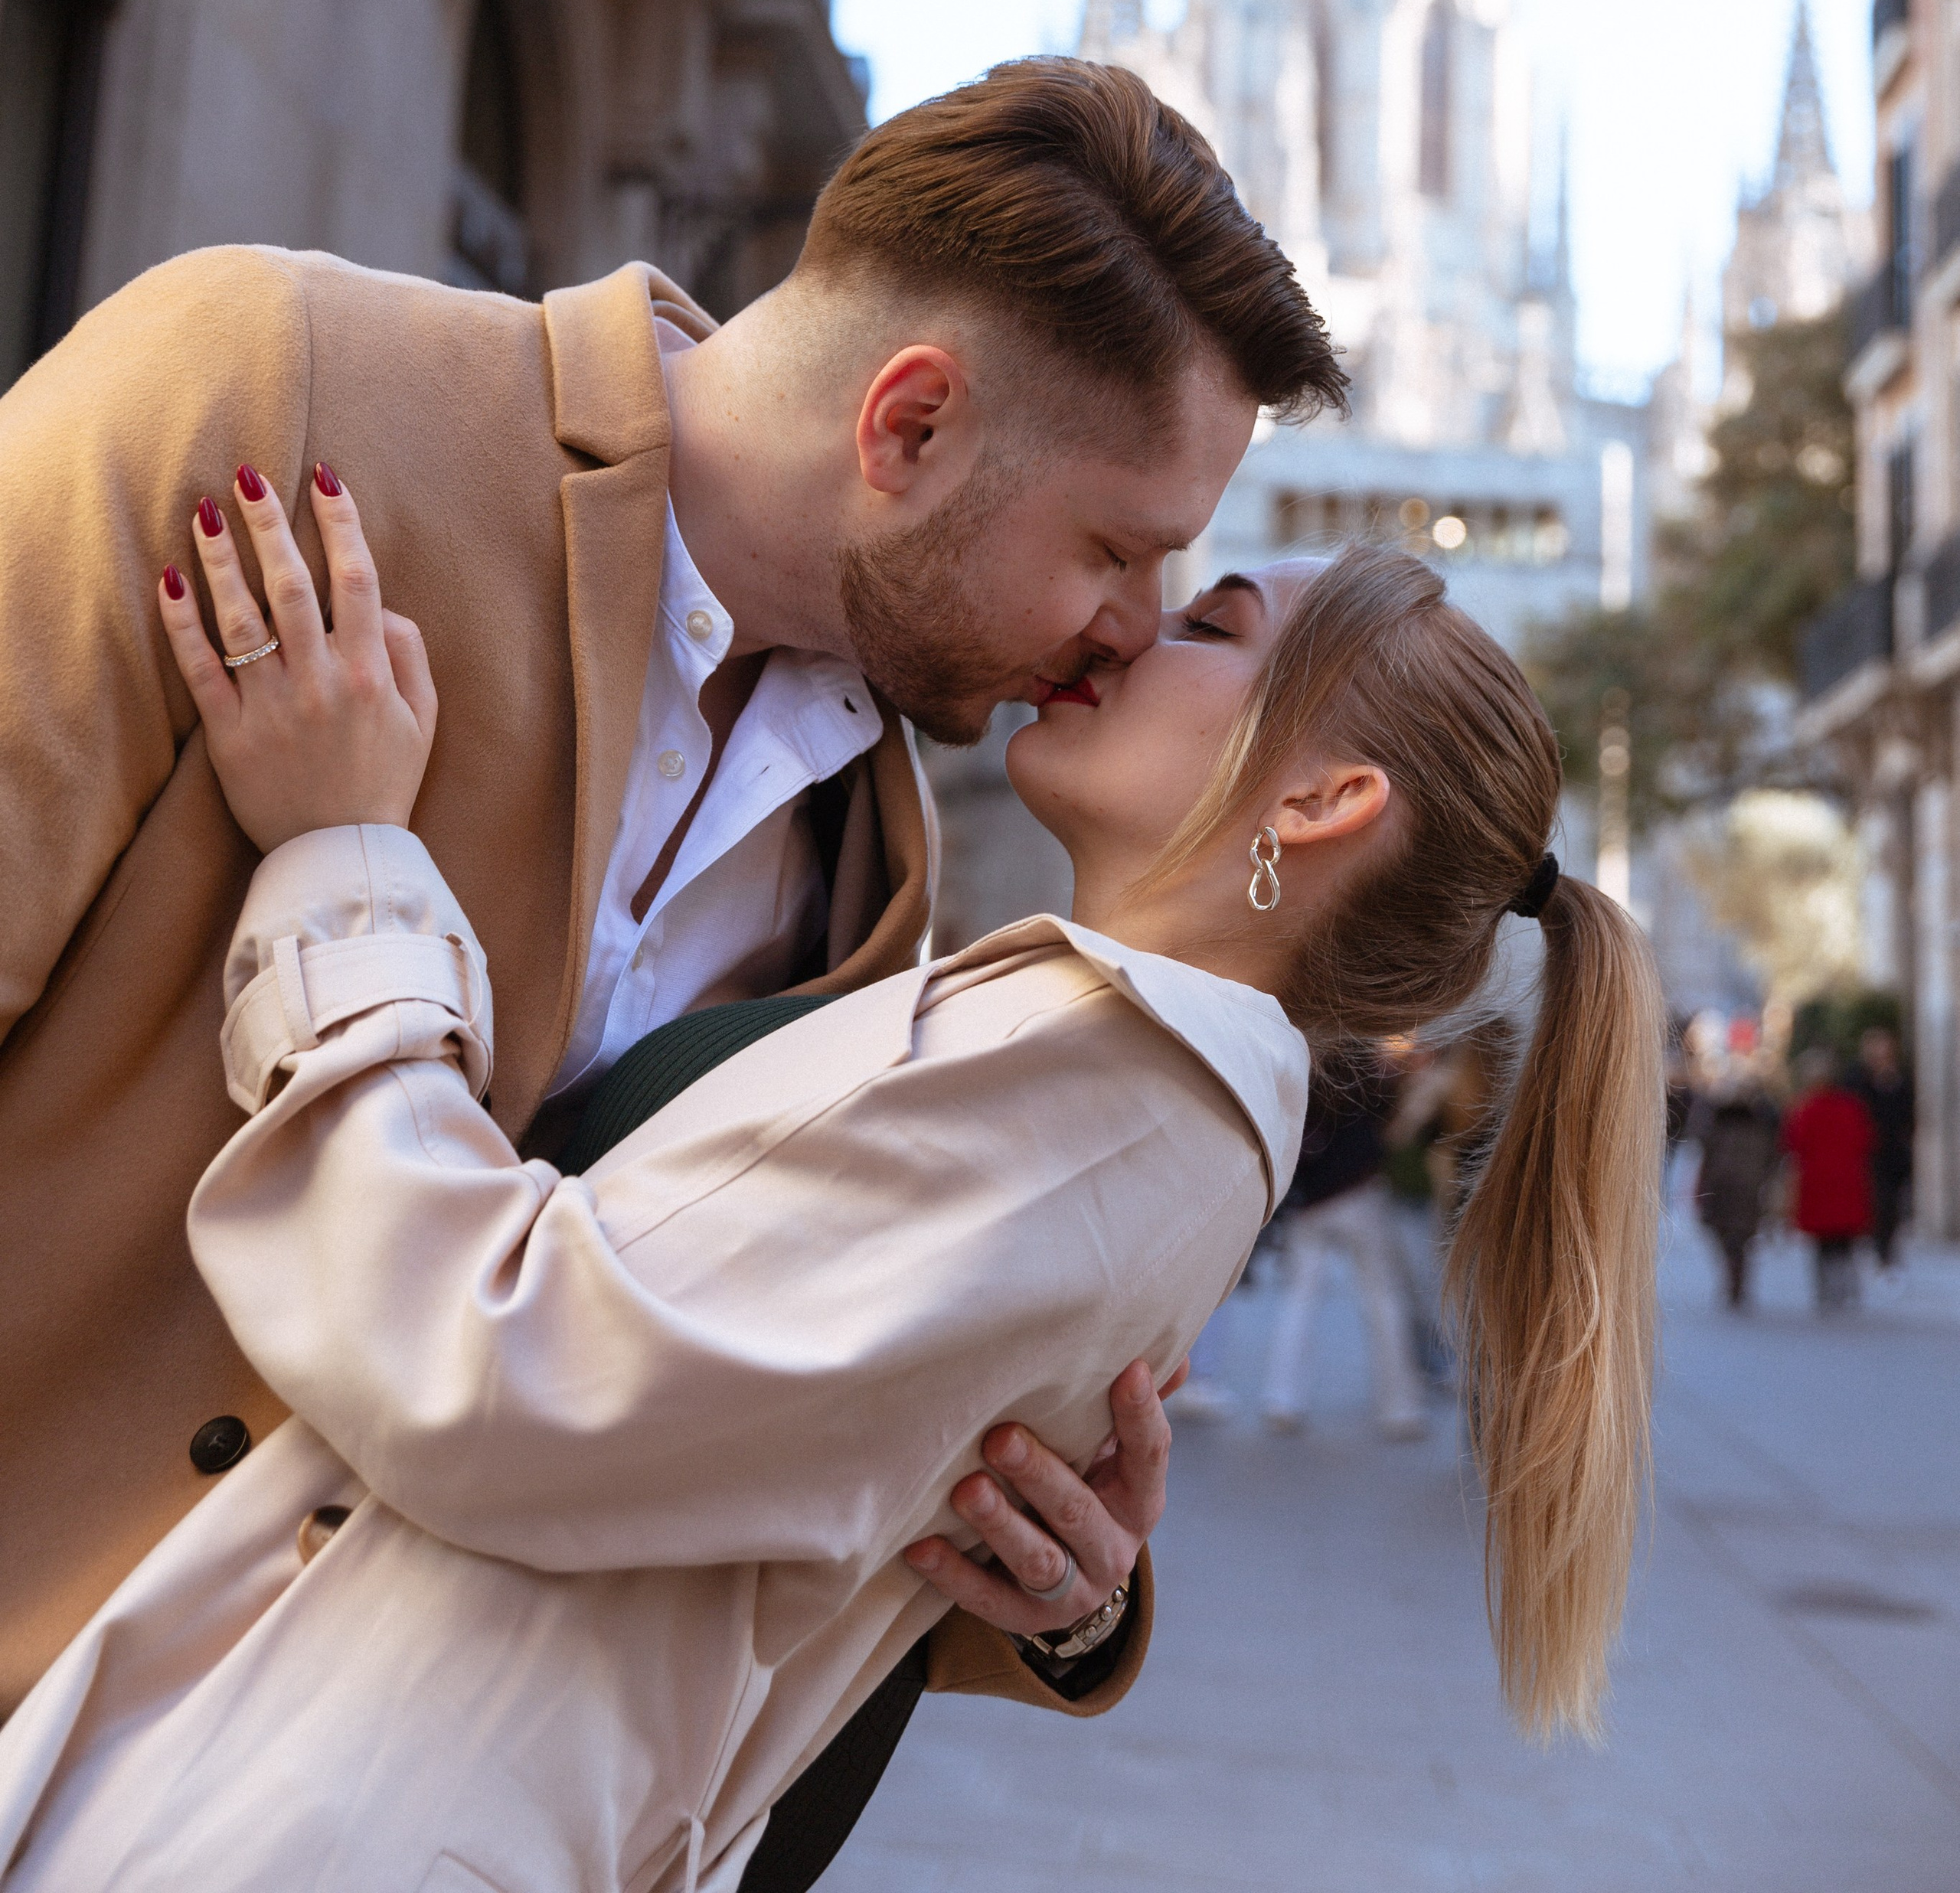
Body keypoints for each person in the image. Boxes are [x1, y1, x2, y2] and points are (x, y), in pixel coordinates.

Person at [0, 58, 1345, 1838]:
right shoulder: (271, 381)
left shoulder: (876, 857)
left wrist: (1050, 1586)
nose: (1131, 634)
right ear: (910, 423)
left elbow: (669, 1439)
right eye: (1115, 547)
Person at [0, 534, 1664, 1890]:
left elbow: (509, 1369)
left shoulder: (1113, 1097)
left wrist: (346, 849)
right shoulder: (1091, 1053)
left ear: (1314, 804)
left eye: (1215, 625)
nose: (1130, 627)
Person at [1259, 1045, 1427, 1438]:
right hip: (1360, 1190)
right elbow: (1390, 1122)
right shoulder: (1371, 1067)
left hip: (1312, 1196)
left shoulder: (1303, 1062)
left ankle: (1283, 1398)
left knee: (1299, 1298)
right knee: (1382, 1298)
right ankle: (1400, 1406)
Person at [1782, 1049, 1877, 1313]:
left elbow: (1793, 1144)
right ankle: (1846, 1287)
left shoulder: (1805, 1109)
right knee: (1845, 1238)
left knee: (1822, 1242)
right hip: (1848, 1180)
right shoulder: (1852, 1107)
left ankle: (1826, 1290)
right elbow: (1866, 1140)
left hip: (1817, 1182)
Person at [1690, 1066, 1782, 1311]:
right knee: (1738, 1236)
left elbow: (1701, 1142)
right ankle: (1736, 1277)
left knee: (1730, 1235)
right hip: (1742, 1185)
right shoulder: (1758, 1123)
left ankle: (1735, 1278)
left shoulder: (1731, 1122)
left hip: (1726, 1184)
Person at [1850, 1023, 1915, 1270]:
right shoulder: (1859, 1077)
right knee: (1877, 1200)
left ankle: (1886, 1245)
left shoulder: (1900, 1076)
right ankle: (1879, 1246)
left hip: (1894, 1152)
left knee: (1893, 1202)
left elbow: (1908, 1110)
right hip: (1869, 1150)